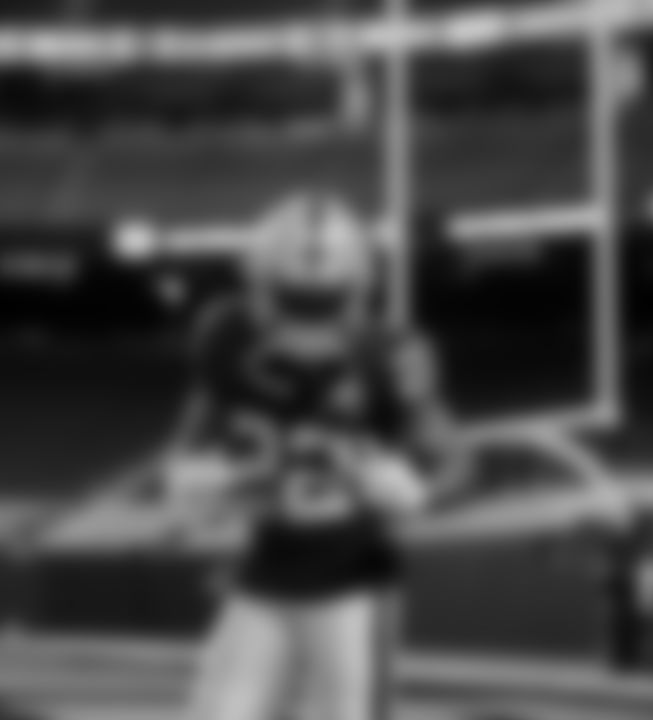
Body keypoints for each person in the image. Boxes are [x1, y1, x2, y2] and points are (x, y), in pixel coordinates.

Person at [160, 192, 462, 720]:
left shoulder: (389, 353)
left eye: (321, 304)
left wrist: (411, 493)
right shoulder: (228, 339)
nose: (306, 327)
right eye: (294, 302)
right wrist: (211, 484)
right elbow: (187, 450)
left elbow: (453, 462)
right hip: (265, 570)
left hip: (353, 581)